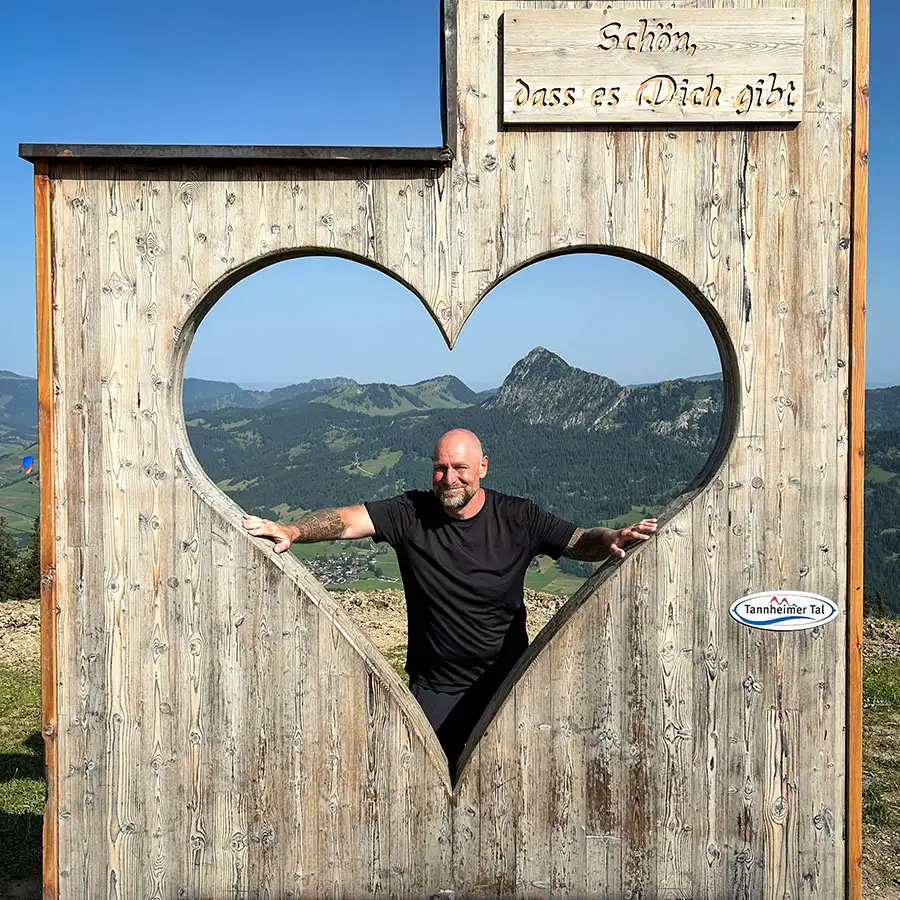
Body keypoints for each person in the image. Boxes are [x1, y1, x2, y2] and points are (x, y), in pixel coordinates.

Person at [242, 428, 656, 772]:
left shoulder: (518, 517)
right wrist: (294, 531)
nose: (449, 478)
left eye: (460, 468)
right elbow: (346, 520)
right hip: (435, 688)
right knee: (426, 781)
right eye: (440, 468)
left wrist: (612, 537)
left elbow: (578, 541)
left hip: (507, 684)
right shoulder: (409, 513)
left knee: (507, 782)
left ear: (482, 468)